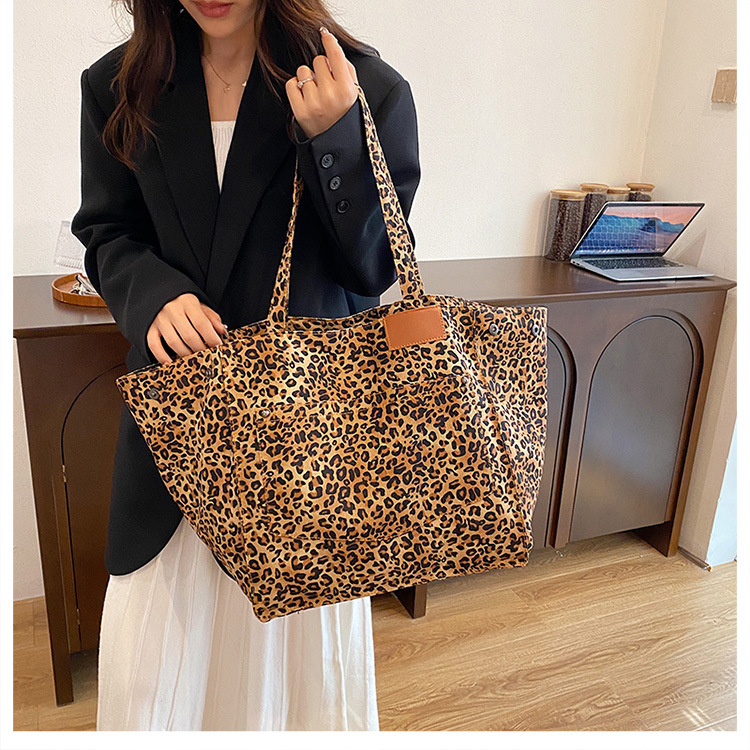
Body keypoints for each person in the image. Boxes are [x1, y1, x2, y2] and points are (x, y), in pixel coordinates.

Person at [70, 0, 421, 731]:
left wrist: (336, 142)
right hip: (176, 447)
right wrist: (153, 295)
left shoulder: (361, 87)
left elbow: (376, 268)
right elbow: (108, 231)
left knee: (296, 698)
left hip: (307, 460)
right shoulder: (119, 85)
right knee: (151, 691)